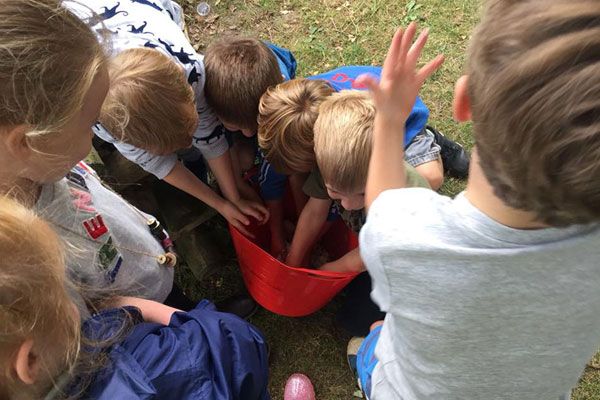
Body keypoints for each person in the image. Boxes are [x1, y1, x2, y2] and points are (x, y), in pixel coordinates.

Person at [356, 8, 600, 399]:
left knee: (375, 338)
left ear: (464, 102)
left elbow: (381, 206)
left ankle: (364, 356)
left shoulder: (407, 241)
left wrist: (389, 120)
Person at [0, 0, 251, 317]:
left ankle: (187, 309)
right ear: (28, 141)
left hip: (140, 261)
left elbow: (207, 135)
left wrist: (228, 198)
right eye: (89, 123)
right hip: (128, 301)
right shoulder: (24, 246)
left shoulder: (51, 156)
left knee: (171, 299)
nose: (93, 135)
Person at [0, 196, 270, 399]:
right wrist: (155, 311)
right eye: (62, 290)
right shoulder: (147, 366)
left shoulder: (85, 346)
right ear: (30, 360)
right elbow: (235, 341)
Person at [65, 0, 269, 236]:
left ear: (188, 90)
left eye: (192, 126)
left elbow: (210, 135)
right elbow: (160, 164)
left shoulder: (190, 70)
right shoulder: (107, 124)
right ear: (135, 143)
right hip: (80, 34)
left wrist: (233, 195)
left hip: (139, 11)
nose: (190, 142)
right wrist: (220, 204)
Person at [203, 35, 299, 245]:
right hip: (250, 111)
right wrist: (239, 185)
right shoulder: (210, 106)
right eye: (237, 126)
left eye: (252, 126)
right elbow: (220, 146)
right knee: (243, 160)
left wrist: (276, 228)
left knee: (277, 154)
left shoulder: (281, 100)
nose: (247, 133)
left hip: (271, 106)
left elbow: (276, 171)